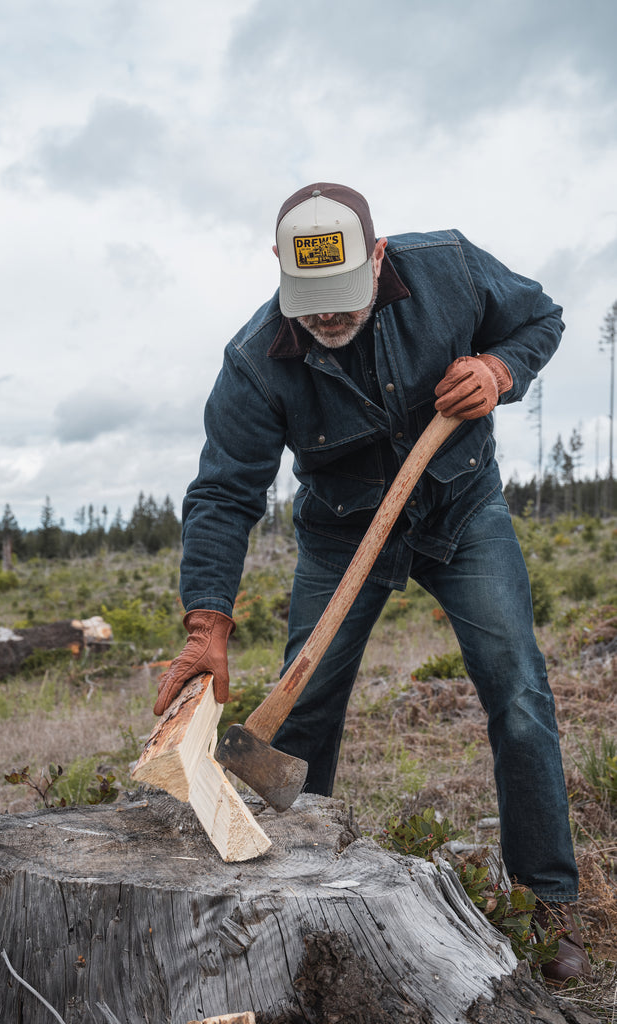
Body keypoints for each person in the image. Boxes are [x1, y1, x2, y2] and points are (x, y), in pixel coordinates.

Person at [154, 182, 590, 986]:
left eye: (342, 297)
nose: (325, 317)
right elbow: (223, 492)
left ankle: (547, 898)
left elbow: (542, 319)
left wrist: (499, 368)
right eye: (310, 301)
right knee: (301, 718)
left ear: (378, 255)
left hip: (463, 513)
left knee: (519, 693)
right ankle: (286, 893)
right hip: (341, 535)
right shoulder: (255, 362)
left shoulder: (448, 268)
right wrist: (205, 623)